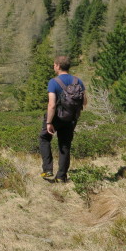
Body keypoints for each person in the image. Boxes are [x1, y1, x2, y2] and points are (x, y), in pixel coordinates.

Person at [39, 55, 87, 183]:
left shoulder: (53, 82)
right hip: (71, 118)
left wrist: (49, 122)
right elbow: (85, 102)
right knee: (65, 145)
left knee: (44, 138)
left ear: (58, 66)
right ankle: (61, 176)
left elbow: (52, 104)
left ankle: (48, 169)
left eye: (54, 65)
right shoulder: (78, 81)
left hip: (56, 118)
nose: (54, 66)